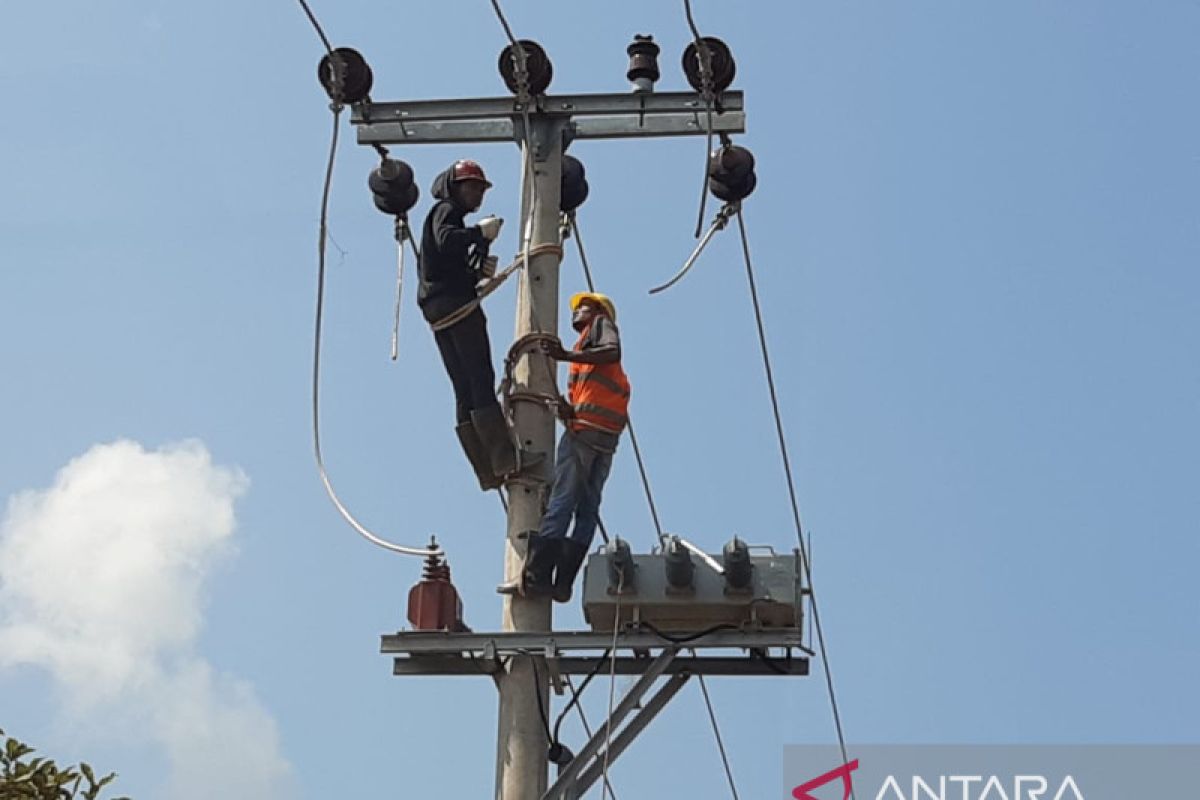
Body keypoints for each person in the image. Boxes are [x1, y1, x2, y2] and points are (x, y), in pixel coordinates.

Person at [525, 292, 630, 602]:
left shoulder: (600, 327)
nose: (578, 311)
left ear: (598, 310)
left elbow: (612, 351)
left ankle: (538, 574)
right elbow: (589, 400)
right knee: (587, 510)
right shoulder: (583, 361)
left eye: (584, 305)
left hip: (586, 436)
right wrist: (564, 409)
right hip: (605, 439)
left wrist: (564, 357)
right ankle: (563, 582)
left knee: (562, 502)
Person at [419, 159, 516, 490]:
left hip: (438, 308)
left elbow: (447, 258)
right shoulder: (445, 211)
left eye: (480, 189)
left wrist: (477, 267)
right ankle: (505, 459)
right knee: (480, 378)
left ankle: (485, 470)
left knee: (464, 388)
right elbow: (447, 241)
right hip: (455, 306)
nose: (478, 195)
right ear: (455, 187)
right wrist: (478, 233)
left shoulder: (448, 218)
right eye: (472, 187)